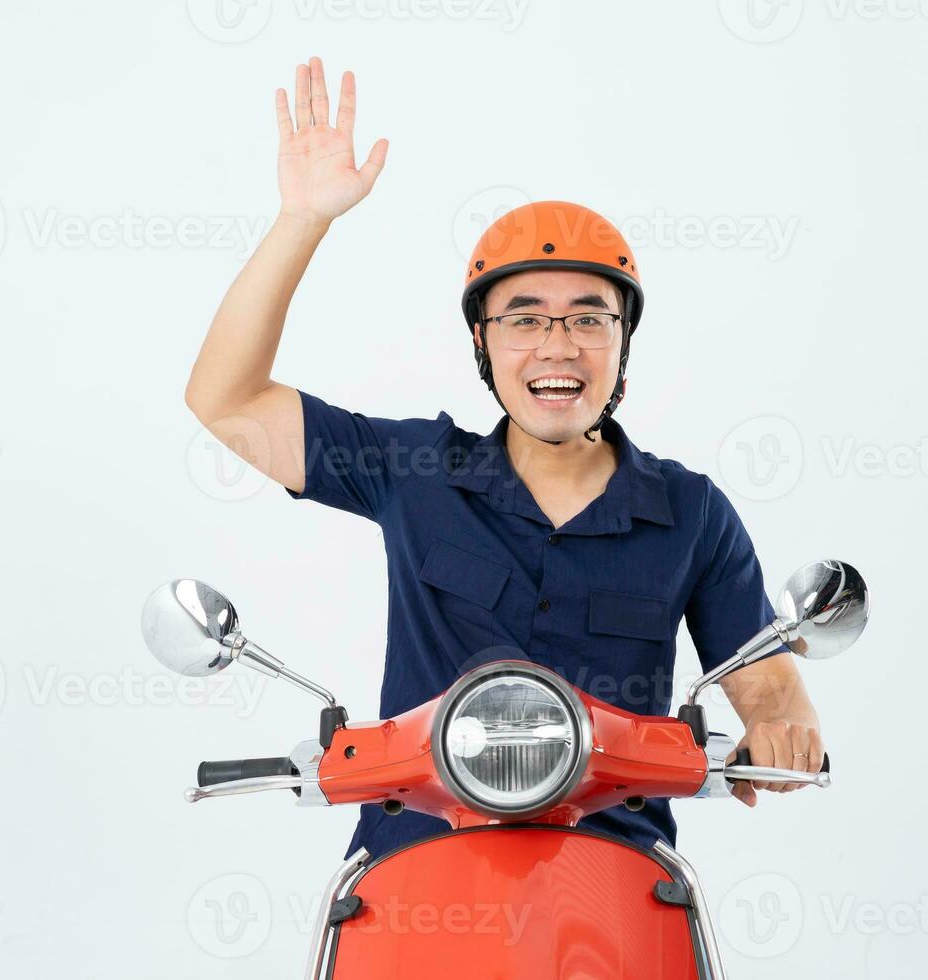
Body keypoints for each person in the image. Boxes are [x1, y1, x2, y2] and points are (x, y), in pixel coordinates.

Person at [184, 57, 826, 861]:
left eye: (588, 319)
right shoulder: (412, 469)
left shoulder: (693, 514)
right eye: (525, 320)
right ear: (483, 345)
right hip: (413, 868)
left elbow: (764, 679)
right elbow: (228, 402)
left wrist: (780, 726)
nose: (558, 346)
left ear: (623, 345)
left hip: (615, 877)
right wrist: (300, 219)